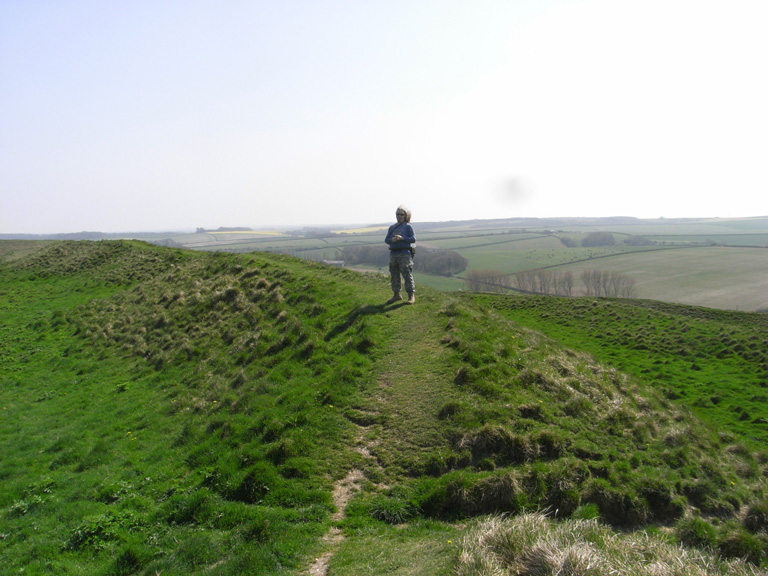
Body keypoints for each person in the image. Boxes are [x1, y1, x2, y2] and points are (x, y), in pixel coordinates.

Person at [384, 205, 416, 304]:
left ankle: (411, 296)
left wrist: (402, 238)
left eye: (401, 214)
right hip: (394, 253)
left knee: (406, 273)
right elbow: (386, 240)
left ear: (405, 216)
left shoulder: (408, 226)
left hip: (405, 253)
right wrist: (392, 240)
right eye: (397, 214)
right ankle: (396, 295)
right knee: (394, 274)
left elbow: (413, 239)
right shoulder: (392, 227)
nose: (399, 216)